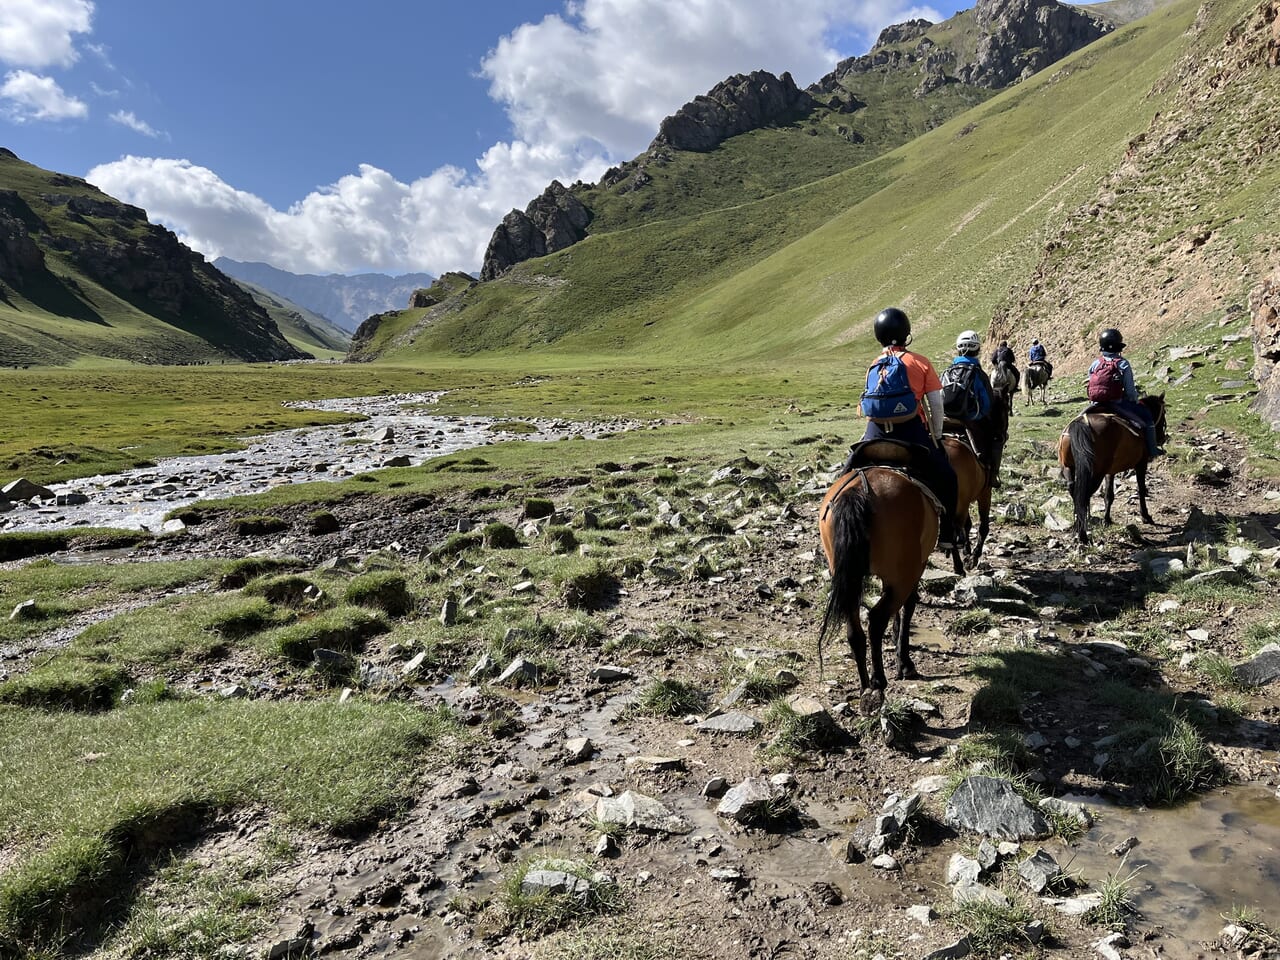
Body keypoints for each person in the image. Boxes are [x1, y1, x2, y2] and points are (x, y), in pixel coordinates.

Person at [848, 307, 960, 548]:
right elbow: (936, 405)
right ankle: (948, 534)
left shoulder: (875, 364)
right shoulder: (919, 362)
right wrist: (937, 436)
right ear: (906, 333)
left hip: (875, 434)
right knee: (948, 477)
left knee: (847, 474)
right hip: (910, 434)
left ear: (879, 335)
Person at [1087, 328, 1163, 457]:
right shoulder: (1123, 364)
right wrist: (1134, 400)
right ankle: (1153, 450)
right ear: (1118, 346)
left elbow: (1091, 384)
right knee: (1148, 419)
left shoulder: (1095, 364)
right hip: (1117, 403)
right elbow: (1130, 391)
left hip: (1095, 403)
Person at [948, 330, 1006, 488]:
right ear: (977, 350)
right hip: (971, 419)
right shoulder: (979, 374)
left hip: (946, 419)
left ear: (958, 349)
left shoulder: (947, 372)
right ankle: (993, 474)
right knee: (997, 437)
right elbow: (987, 404)